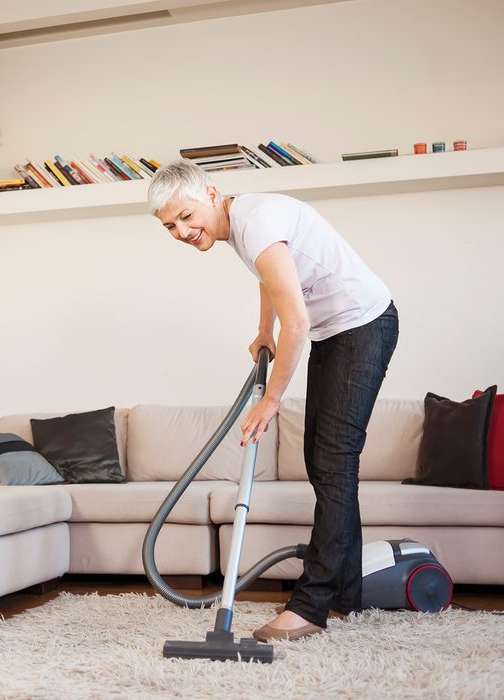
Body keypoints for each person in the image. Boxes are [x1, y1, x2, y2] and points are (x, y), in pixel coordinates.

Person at [147, 160, 399, 641]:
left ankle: (312, 605)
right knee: (325, 462)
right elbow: (270, 277)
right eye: (169, 226)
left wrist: (272, 401)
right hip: (337, 331)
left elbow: (298, 323)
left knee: (333, 459)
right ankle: (346, 595)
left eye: (185, 216)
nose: (181, 231)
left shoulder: (255, 219)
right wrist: (264, 329)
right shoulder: (241, 227)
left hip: (362, 324)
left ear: (211, 194)